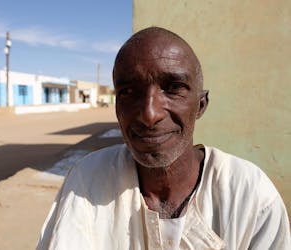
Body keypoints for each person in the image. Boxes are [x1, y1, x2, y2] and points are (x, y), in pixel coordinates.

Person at [37, 27, 290, 249]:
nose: (149, 114)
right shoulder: (88, 180)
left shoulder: (250, 194)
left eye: (174, 88)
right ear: (116, 108)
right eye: (129, 92)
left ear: (200, 105)